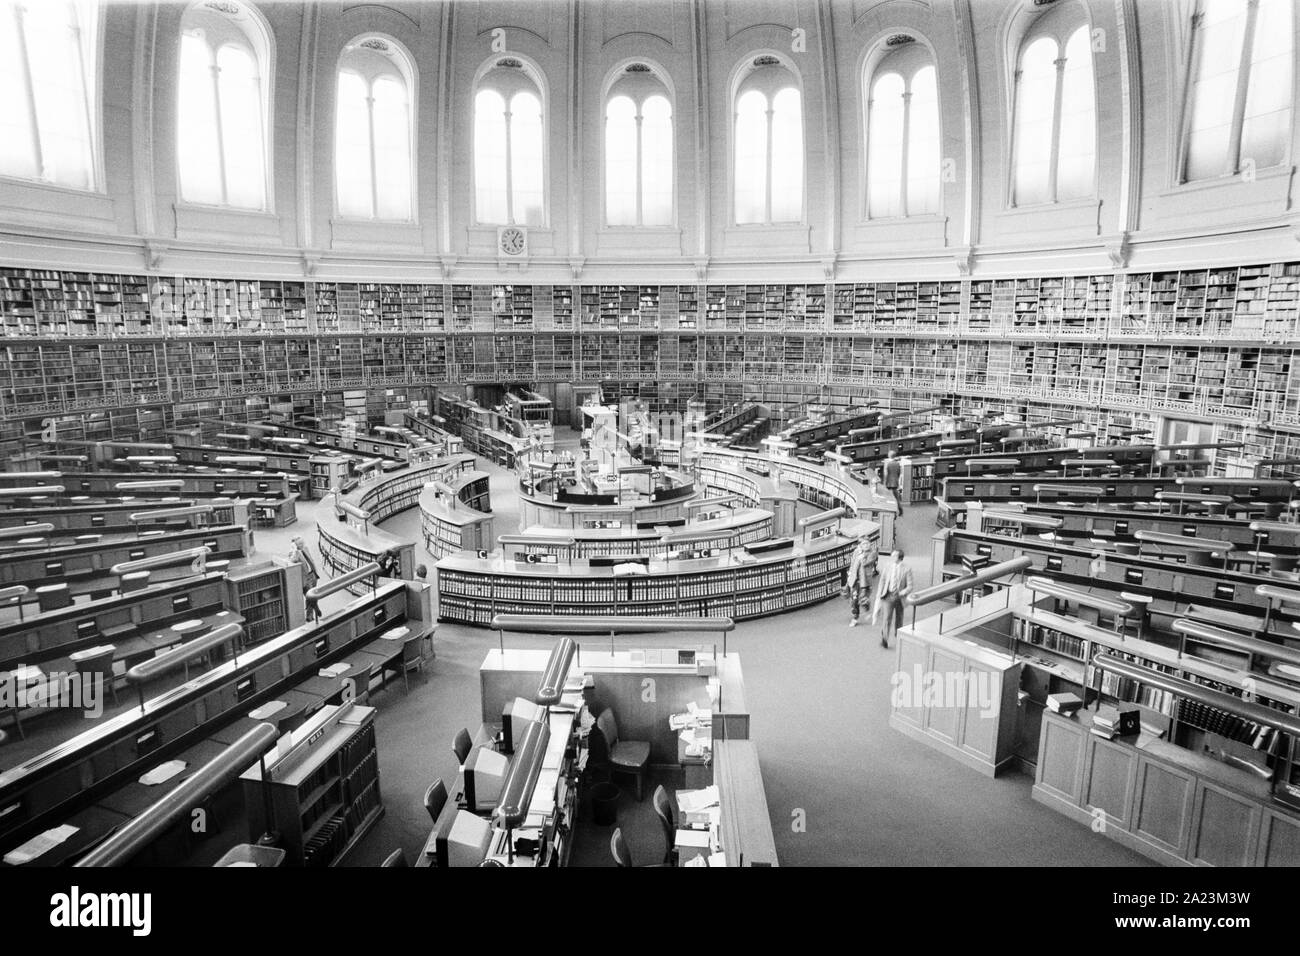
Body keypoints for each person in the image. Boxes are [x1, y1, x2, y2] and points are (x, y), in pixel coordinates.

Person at [873, 548, 914, 649]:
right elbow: (882, 580)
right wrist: (879, 593)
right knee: (887, 618)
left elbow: (910, 586)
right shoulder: (888, 566)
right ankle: (885, 639)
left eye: (894, 555)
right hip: (888, 595)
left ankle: (898, 635)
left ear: (900, 557)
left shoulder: (907, 569)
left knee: (899, 618)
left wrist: (901, 593)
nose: (892, 557)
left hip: (899, 597)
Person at [846, 536, 878, 628]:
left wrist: (862, 555)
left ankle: (867, 610)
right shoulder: (857, 552)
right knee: (854, 599)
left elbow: (865, 563)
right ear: (860, 545)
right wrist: (850, 574)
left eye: (868, 543)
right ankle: (855, 617)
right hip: (855, 579)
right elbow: (853, 563)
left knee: (863, 599)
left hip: (865, 580)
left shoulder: (873, 553)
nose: (866, 545)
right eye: (864, 544)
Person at [882, 449, 904, 514]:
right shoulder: (897, 463)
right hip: (895, 482)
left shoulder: (888, 463)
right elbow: (899, 473)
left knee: (888, 497)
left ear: (889, 456)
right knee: (896, 496)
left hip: (888, 482)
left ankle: (889, 510)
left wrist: (884, 483)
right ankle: (900, 509)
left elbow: (886, 474)